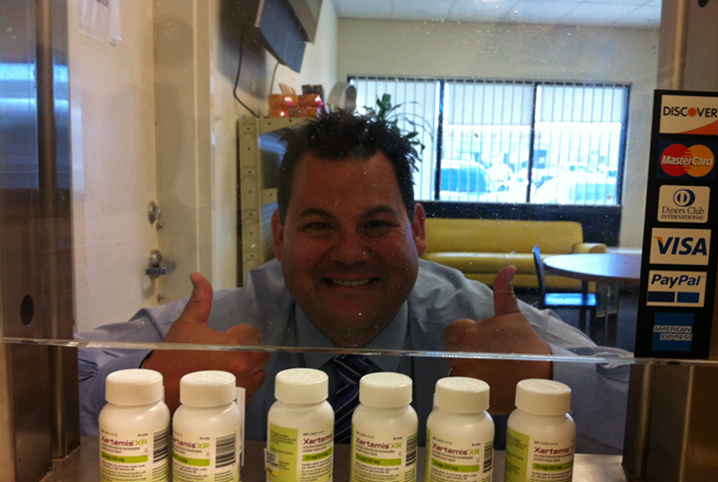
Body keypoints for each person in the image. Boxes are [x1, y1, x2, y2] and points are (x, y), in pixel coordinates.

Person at [78, 111, 631, 453]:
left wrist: (547, 382)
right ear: (280, 233)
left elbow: (662, 414)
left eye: (376, 224)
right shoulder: (219, 331)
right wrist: (143, 386)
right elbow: (45, 381)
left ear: (417, 230)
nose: (349, 252)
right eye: (318, 225)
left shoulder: (481, 326)